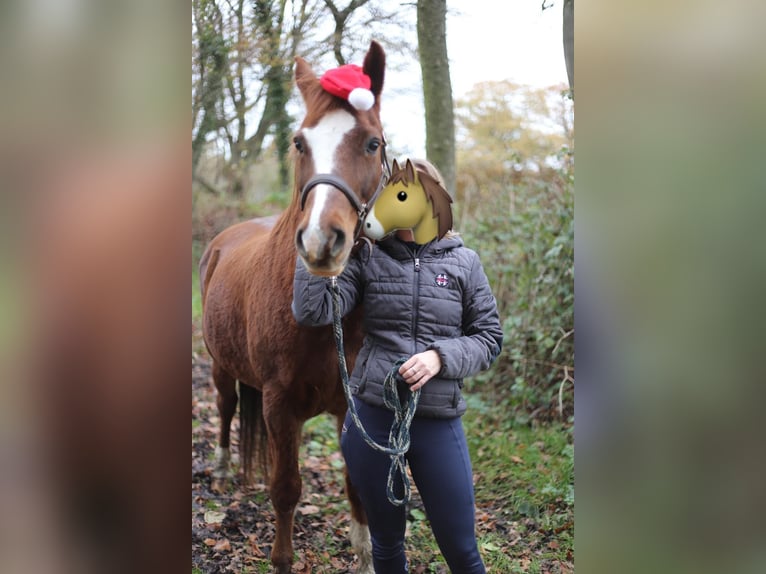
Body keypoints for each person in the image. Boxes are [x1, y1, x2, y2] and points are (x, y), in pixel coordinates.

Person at [292, 159, 503, 573]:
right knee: (387, 546)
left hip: (437, 419)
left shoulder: (465, 263)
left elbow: (489, 337)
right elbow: (313, 309)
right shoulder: (368, 257)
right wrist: (312, 240)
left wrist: (441, 356)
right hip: (372, 418)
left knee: (462, 551)